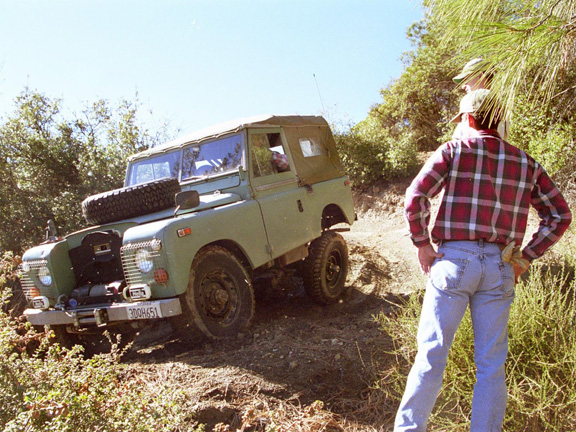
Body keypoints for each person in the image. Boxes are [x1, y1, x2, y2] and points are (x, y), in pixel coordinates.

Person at [394, 89, 572, 431]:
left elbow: (416, 196)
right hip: (501, 267)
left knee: (431, 356)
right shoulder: (527, 162)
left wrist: (422, 243)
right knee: (491, 365)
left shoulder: (452, 150)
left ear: (469, 119)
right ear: (499, 119)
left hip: (454, 261)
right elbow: (560, 216)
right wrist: (527, 257)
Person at [452, 58, 509, 140]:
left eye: (467, 79)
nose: (463, 86)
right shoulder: (501, 107)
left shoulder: (470, 111)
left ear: (481, 76)